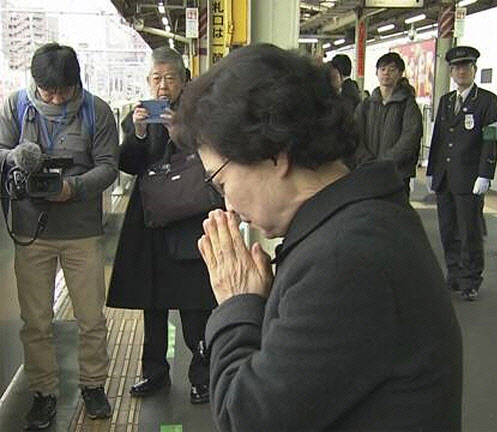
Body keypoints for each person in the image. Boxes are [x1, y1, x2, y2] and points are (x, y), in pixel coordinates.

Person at [171, 44, 462, 432]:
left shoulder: (346, 260)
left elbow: (247, 418)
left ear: (274, 154)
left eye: (220, 181)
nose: (226, 203)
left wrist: (237, 306)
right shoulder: (364, 219)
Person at [0, 43, 118, 430]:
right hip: (31, 232)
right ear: (35, 83)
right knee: (35, 320)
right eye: (46, 91)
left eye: (62, 91)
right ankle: (43, 393)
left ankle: (93, 385)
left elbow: (108, 167)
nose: (53, 97)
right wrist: (16, 156)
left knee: (90, 317)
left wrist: (75, 188)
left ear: (77, 82)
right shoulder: (14, 107)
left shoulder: (96, 111)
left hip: (82, 232)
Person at [106, 46, 216, 404]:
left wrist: (179, 133)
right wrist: (137, 134)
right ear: (148, 81)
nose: (163, 86)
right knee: (151, 301)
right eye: (156, 78)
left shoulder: (201, 114)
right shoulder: (140, 115)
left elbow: (209, 162)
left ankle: (203, 374)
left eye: (170, 78)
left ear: (184, 79)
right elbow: (129, 166)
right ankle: (154, 372)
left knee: (194, 304)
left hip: (187, 220)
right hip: (150, 222)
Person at [427, 46, 497, 301]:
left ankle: (470, 280)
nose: (461, 71)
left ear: (474, 70)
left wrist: (486, 173)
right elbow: (438, 138)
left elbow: (491, 138)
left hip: (469, 178)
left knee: (470, 231)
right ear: (452, 72)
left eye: (466, 67)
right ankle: (454, 274)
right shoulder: (446, 101)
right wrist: (432, 170)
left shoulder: (487, 101)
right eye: (457, 68)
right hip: (445, 177)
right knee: (448, 229)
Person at [355, 52, 423, 197]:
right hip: (368, 173)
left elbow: (410, 138)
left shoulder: (408, 105)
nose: (386, 73)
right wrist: (367, 161)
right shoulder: (366, 105)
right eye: (383, 69)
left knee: (395, 215)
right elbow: (354, 135)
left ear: (400, 73)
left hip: (397, 175)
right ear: (376, 72)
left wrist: (384, 163)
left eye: (392, 69)